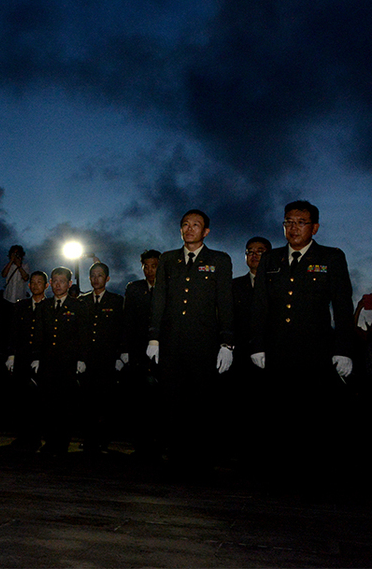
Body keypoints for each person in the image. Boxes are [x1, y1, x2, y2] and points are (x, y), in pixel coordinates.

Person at [250, 200, 355, 482]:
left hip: (314, 352)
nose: (293, 228)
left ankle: (311, 477)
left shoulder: (331, 257)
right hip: (276, 350)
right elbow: (260, 304)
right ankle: (277, 475)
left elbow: (343, 305)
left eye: (300, 222)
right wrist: (257, 344)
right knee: (277, 415)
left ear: (315, 227)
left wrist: (344, 349)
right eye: (288, 222)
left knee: (312, 416)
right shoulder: (271, 259)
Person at [148, 209, 234, 472]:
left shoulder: (218, 259)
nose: (189, 229)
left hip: (204, 343)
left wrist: (227, 342)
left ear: (205, 231)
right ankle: (175, 458)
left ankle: (201, 460)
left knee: (202, 402)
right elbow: (159, 298)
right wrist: (154, 338)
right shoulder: (168, 259)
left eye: (196, 225)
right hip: (172, 343)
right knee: (172, 401)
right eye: (185, 224)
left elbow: (225, 302)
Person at [34, 266, 91, 456]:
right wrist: (36, 358)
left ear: (69, 284)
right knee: (47, 403)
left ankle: (62, 442)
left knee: (65, 405)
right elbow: (39, 335)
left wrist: (82, 358)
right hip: (48, 362)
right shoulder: (44, 306)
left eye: (61, 281)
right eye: (54, 280)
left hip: (68, 363)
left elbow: (83, 334)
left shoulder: (78, 306)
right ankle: (50, 441)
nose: (57, 285)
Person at [226, 236, 270, 467]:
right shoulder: (234, 285)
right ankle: (241, 456)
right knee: (241, 406)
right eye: (249, 251)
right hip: (240, 356)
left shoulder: (279, 283)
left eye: (260, 251)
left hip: (270, 355)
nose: (254, 255)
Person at [78, 262, 124, 454]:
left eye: (100, 275)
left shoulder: (116, 301)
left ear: (107, 278)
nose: (96, 279)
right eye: (93, 275)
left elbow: (122, 329)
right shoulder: (82, 301)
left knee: (105, 402)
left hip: (107, 360)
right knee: (87, 402)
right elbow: (79, 332)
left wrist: (120, 355)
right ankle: (88, 440)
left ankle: (103, 440)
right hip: (87, 360)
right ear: (89, 279)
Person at [121, 249, 161, 458]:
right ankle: (141, 445)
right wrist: (125, 350)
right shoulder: (134, 288)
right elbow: (127, 320)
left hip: (162, 353)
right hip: (138, 352)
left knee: (159, 400)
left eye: (153, 265)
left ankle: (158, 444)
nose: (149, 270)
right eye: (146, 266)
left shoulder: (169, 287)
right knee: (139, 400)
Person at [3, 270, 49, 452]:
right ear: (29, 285)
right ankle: (22, 437)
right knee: (21, 400)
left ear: (46, 286)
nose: (35, 285)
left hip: (42, 361)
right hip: (22, 358)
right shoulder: (20, 306)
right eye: (33, 282)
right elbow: (13, 331)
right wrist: (11, 355)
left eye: (40, 282)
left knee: (38, 401)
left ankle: (36, 438)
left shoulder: (50, 306)